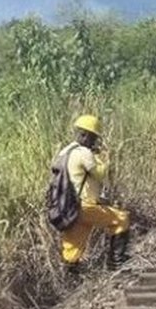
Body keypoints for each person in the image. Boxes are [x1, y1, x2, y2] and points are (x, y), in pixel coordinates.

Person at [55, 115, 130, 273]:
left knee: (72, 250)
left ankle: (72, 279)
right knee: (121, 219)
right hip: (85, 206)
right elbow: (101, 174)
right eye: (93, 138)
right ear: (85, 135)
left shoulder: (65, 152)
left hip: (70, 208)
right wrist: (104, 157)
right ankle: (117, 264)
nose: (94, 142)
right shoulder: (84, 153)